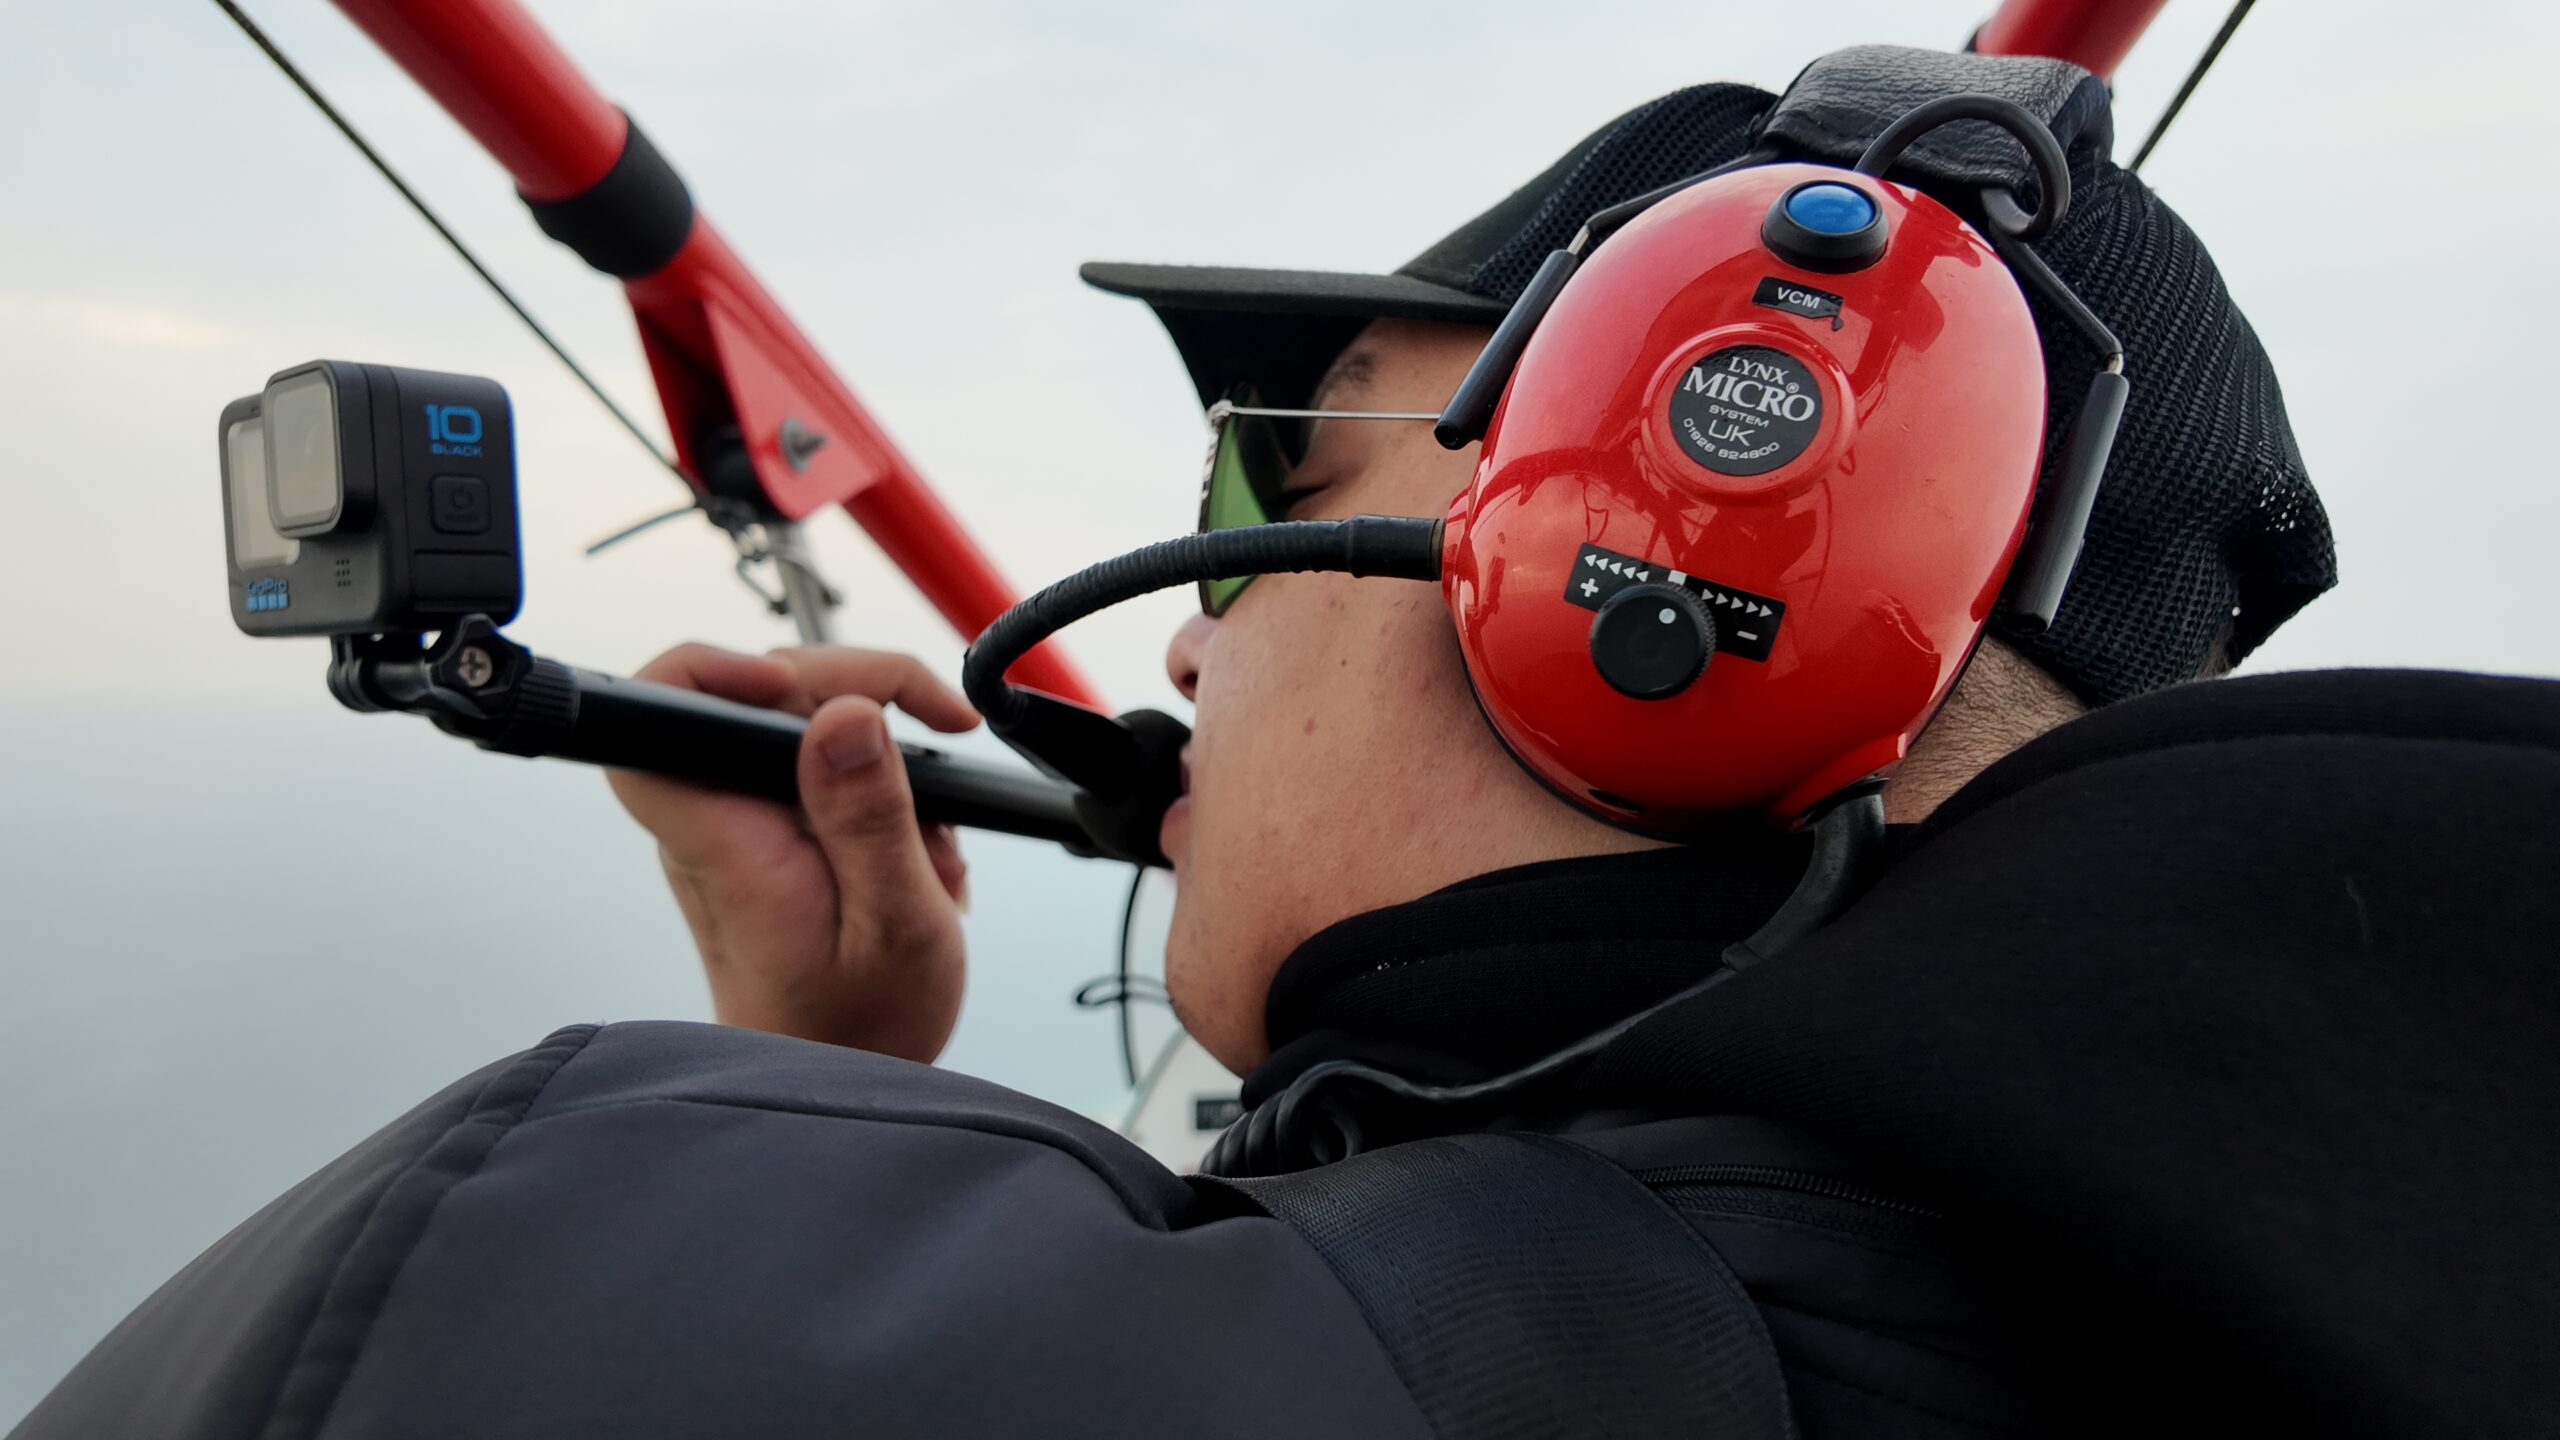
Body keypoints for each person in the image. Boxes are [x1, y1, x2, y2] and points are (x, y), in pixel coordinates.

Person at [22, 47, 2560, 1440]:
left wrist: (785, 1159)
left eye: (1266, 474)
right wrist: (837, 1075)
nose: (1191, 650)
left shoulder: (575, 1268)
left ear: (1677, 551)